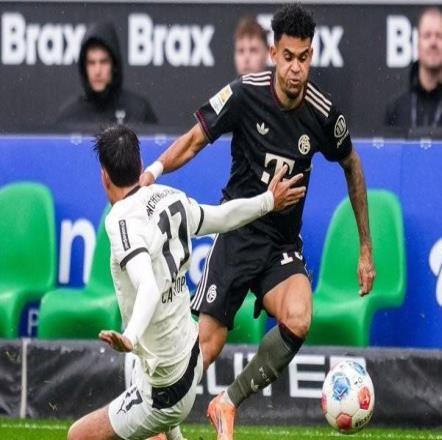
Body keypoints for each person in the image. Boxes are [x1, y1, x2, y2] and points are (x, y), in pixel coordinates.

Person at [141, 4, 375, 439]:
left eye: (303, 57)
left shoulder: (323, 113)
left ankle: (226, 403)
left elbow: (352, 164)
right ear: (273, 54)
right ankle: (155, 420)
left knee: (300, 318)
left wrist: (365, 248)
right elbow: (194, 141)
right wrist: (153, 171)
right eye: (288, 57)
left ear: (311, 55)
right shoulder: (245, 94)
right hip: (237, 233)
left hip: (280, 245)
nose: (295, 68)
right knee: (206, 347)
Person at [66, 125, 305, 440]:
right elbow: (223, 217)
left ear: (104, 177)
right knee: (137, 365)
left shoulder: (120, 221)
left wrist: (130, 337)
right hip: (191, 357)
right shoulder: (170, 197)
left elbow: (148, 287)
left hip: (166, 391)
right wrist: (268, 201)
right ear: (140, 165)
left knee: (78, 436)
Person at [385, 7, 442, 129]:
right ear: (417, 45)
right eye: (427, 36)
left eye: (439, 36)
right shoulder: (397, 108)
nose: (433, 43)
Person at [56, 22, 158, 129]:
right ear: (84, 67)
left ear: (114, 66)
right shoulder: (69, 116)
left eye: (104, 62)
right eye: (91, 63)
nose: (97, 71)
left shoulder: (138, 112)